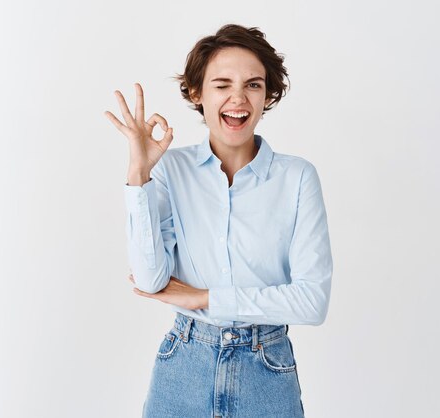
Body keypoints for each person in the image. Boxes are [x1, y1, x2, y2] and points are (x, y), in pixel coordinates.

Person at [105, 24, 333, 418]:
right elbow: (149, 280)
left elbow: (312, 302)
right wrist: (138, 174)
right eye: (222, 84)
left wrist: (206, 298)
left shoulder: (297, 178)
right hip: (184, 365)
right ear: (197, 93)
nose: (238, 99)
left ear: (268, 96)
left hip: (267, 368)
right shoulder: (171, 169)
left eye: (254, 85)